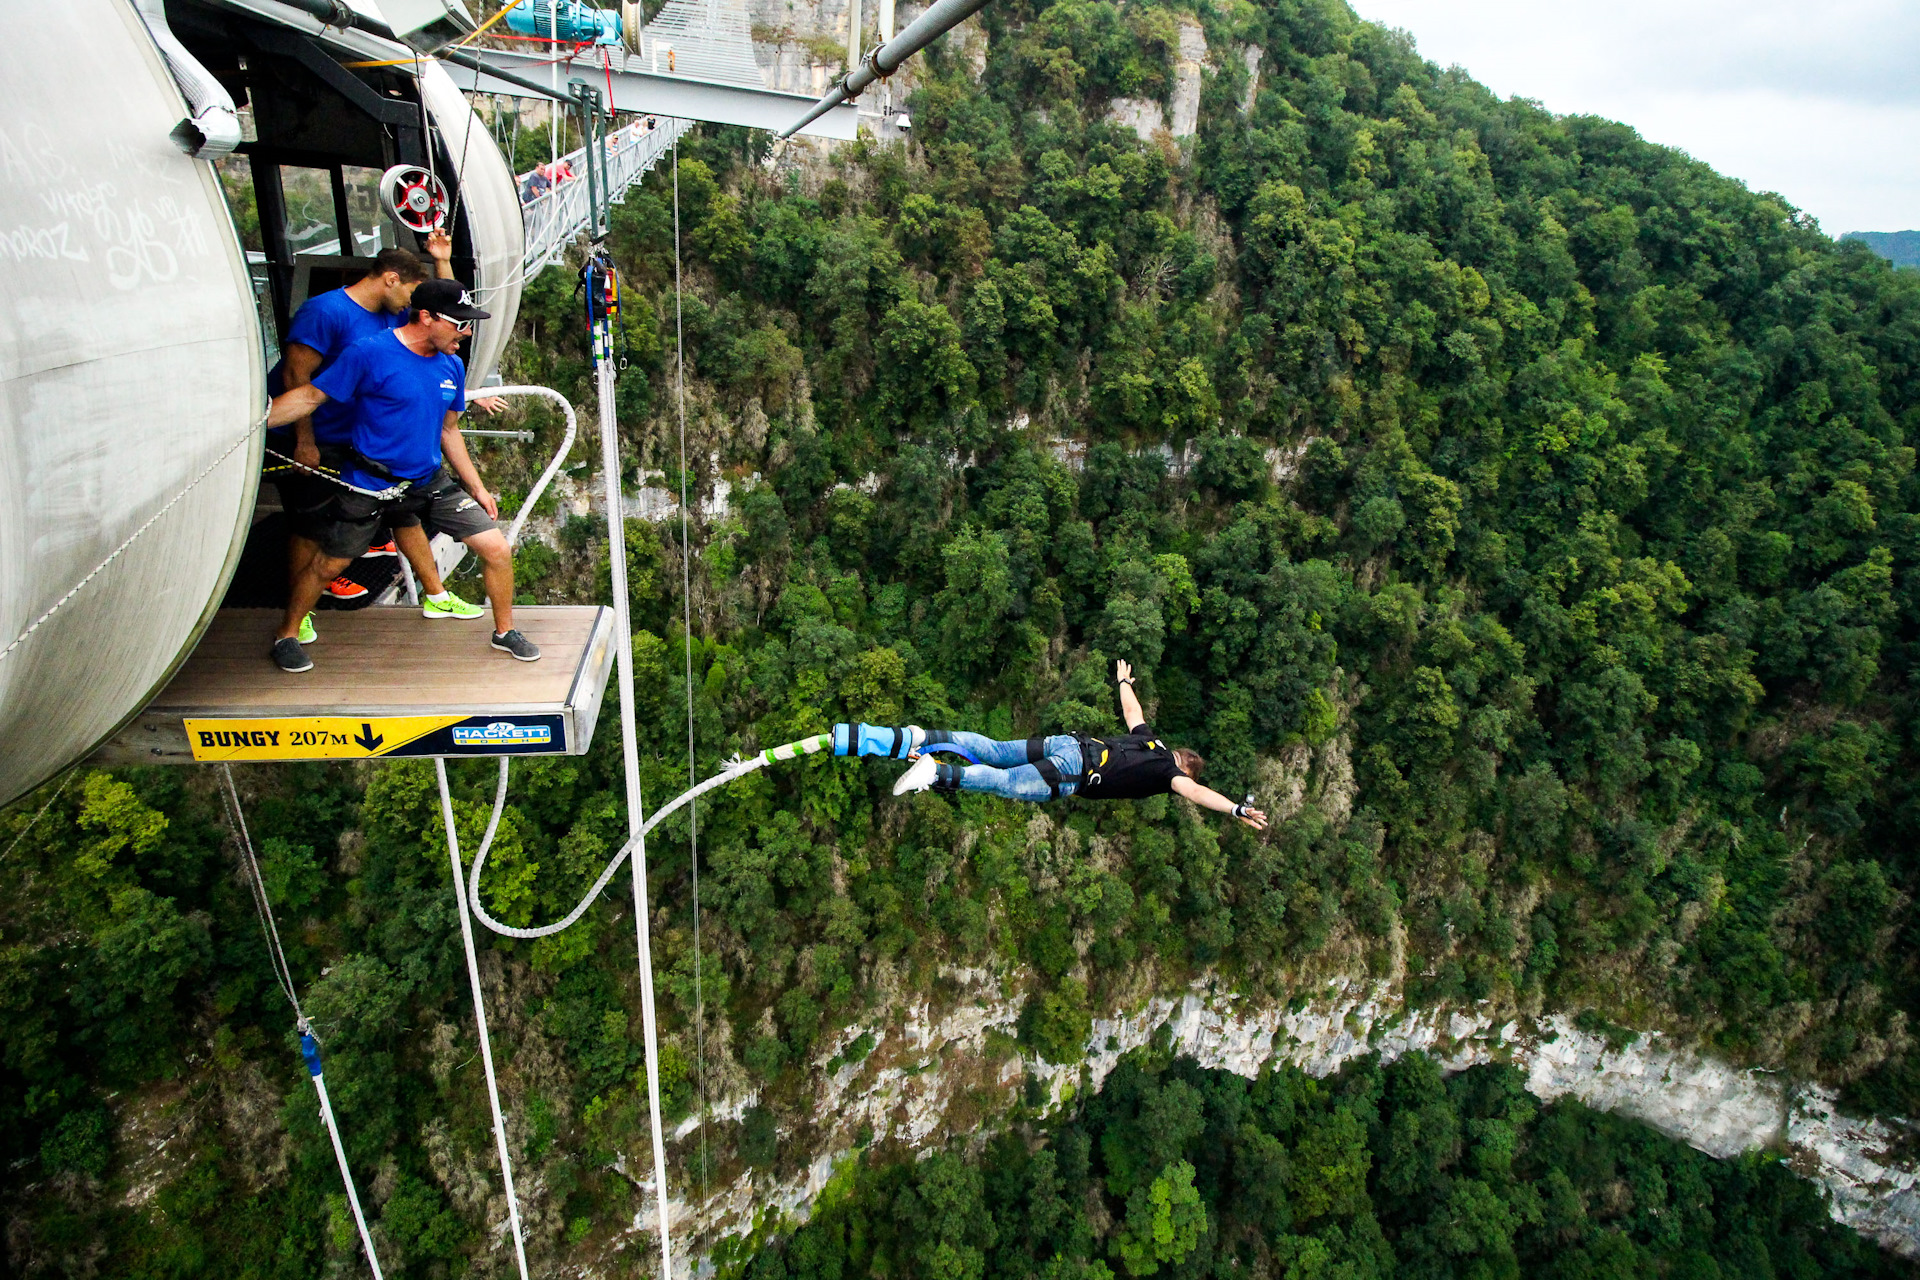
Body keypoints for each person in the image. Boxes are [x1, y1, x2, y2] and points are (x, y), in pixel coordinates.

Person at [262, 279, 540, 672]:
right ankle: (287, 633)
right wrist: (254, 423)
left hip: (427, 481)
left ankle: (504, 632)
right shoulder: (369, 354)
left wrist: (476, 487)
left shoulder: (451, 364)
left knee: (496, 549)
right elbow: (311, 395)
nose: (467, 332)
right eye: (460, 323)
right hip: (371, 481)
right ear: (426, 317)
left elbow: (448, 430)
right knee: (329, 565)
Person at [271, 233, 490, 638]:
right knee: (312, 524)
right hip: (318, 434)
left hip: (365, 437)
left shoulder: (392, 317)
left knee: (403, 513)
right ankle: (298, 612)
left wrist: (441, 261)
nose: (413, 304)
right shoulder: (327, 313)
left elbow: (445, 308)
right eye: (410, 294)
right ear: (391, 279)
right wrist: (303, 440)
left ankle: (436, 594)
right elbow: (298, 380)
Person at [834, 660, 1270, 829]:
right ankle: (939, 772)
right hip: (1072, 774)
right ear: (1185, 768)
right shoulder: (1169, 775)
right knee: (1003, 783)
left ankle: (928, 739)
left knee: (993, 749)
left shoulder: (1152, 741)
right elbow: (1195, 793)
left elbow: (1132, 712)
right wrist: (1234, 808)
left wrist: (1121, 680)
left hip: (1067, 743)